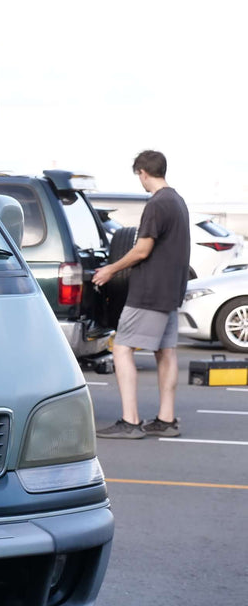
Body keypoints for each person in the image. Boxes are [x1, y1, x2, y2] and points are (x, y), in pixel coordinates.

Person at [92, 150, 192, 438]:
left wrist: (111, 269)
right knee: (166, 352)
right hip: (171, 291)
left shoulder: (157, 204)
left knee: (122, 349)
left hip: (149, 293)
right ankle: (166, 419)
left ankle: (131, 421)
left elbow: (142, 249)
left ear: (143, 173)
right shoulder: (178, 201)